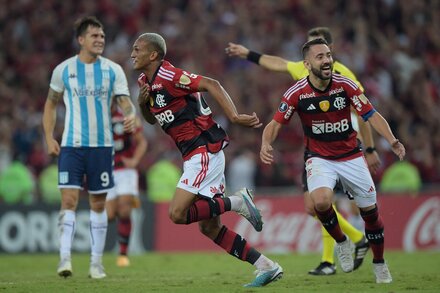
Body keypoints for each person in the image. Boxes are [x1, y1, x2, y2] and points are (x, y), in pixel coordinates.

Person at [131, 32, 282, 288]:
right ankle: (266, 266)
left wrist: (234, 117)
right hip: (195, 154)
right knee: (210, 229)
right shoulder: (145, 80)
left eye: (137, 49)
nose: (132, 53)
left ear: (153, 54)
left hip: (203, 151)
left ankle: (236, 201)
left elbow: (211, 83)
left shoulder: (170, 76)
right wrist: (142, 103)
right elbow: (150, 118)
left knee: (177, 213)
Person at [226, 27, 379, 275]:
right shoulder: (304, 69)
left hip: (345, 148)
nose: (308, 58)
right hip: (317, 148)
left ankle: (333, 257)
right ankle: (351, 242)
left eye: (318, 51)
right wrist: (248, 54)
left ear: (329, 53)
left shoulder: (345, 76)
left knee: (323, 203)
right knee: (316, 205)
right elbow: (278, 63)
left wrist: (370, 147)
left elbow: (363, 114)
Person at [260, 38, 406, 283]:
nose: (327, 60)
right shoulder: (296, 93)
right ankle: (342, 242)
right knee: (320, 202)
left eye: (328, 55)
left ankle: (380, 263)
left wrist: (391, 140)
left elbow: (371, 115)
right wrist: (265, 143)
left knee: (370, 214)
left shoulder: (346, 85)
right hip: (319, 157)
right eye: (320, 57)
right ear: (307, 64)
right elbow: (275, 124)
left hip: (351, 156)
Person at [42, 16, 136, 279]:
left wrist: (131, 115)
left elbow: (125, 102)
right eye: (95, 36)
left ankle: (96, 263)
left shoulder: (113, 70)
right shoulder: (63, 70)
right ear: (81, 39)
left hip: (102, 147)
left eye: (103, 36)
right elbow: (50, 104)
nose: (100, 40)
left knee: (98, 204)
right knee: (69, 200)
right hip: (72, 145)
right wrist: (49, 137)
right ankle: (64, 259)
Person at [106, 103, 147, 267]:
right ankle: (129, 199)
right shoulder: (94, 118)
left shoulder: (125, 117)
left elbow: (142, 142)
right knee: (109, 215)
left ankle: (123, 254)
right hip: (105, 170)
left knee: (124, 211)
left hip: (125, 170)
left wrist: (135, 160)